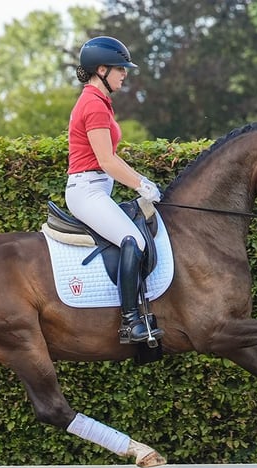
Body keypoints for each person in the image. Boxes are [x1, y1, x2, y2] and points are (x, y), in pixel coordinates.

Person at [65, 35, 164, 345]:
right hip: (87, 191)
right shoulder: (93, 105)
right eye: (121, 69)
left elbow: (112, 157)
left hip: (96, 188)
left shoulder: (100, 102)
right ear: (102, 70)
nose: (125, 74)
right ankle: (131, 322)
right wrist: (141, 185)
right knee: (132, 240)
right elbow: (106, 161)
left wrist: (142, 181)